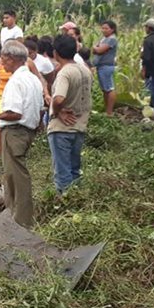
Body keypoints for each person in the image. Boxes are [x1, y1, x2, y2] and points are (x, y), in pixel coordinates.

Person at [0, 41, 43, 228]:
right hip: (26, 131)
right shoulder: (33, 79)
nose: (2, 64)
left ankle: (21, 220)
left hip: (14, 131)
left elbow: (15, 113)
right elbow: (40, 108)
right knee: (12, 175)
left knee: (16, 176)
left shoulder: (16, 82)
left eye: (4, 60)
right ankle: (12, 213)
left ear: (12, 59)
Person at [48, 35, 92, 192]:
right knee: (74, 169)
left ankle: (65, 204)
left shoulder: (65, 73)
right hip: (79, 126)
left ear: (56, 52)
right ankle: (77, 201)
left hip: (62, 129)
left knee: (62, 172)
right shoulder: (85, 70)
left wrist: (58, 112)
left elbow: (59, 99)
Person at [91, 20, 119, 115]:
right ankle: (107, 110)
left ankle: (109, 112)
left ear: (112, 29)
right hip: (101, 66)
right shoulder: (104, 38)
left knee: (109, 89)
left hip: (106, 66)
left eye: (106, 28)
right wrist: (96, 48)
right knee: (105, 89)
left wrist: (96, 47)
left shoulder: (112, 39)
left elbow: (99, 50)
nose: (103, 30)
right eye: (102, 28)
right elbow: (95, 50)